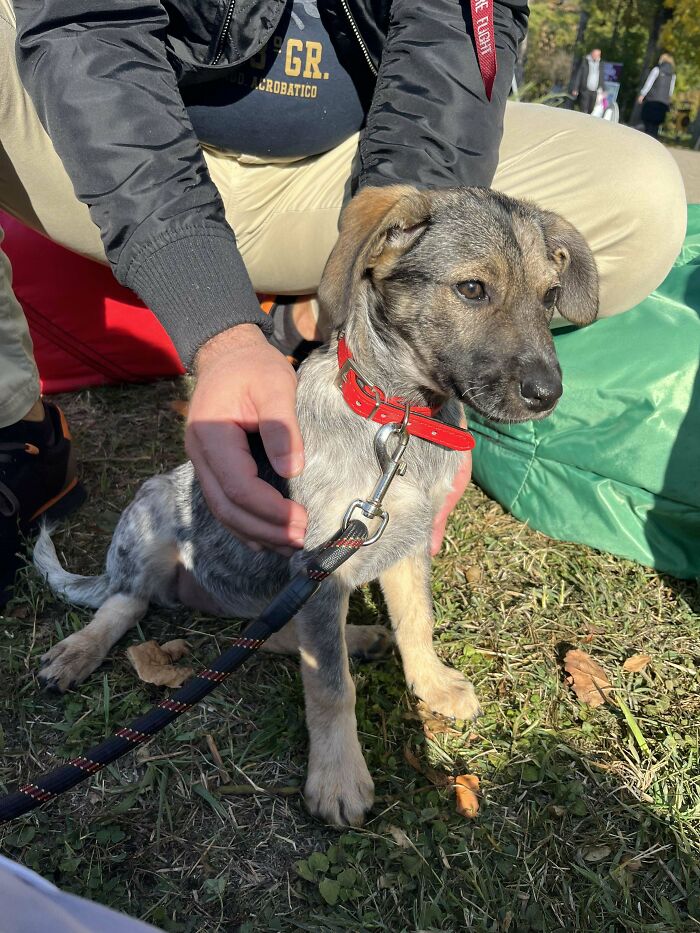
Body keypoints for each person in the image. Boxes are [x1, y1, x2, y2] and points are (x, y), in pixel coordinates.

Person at [0, 0, 687, 605]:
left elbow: (458, 36)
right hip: (117, 145)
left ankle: (309, 325)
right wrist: (218, 329)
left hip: (347, 174)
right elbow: (86, 29)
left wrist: (428, 262)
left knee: (642, 195)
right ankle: (17, 430)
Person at [638, 53, 676, 139]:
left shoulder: (657, 69)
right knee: (655, 126)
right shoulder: (672, 75)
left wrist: (642, 94)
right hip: (663, 103)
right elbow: (671, 91)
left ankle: (646, 142)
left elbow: (649, 83)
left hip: (652, 100)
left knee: (647, 124)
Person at [571, 47, 605, 114]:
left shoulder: (600, 64)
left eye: (598, 55)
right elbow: (579, 75)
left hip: (595, 90)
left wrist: (603, 89)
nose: (597, 56)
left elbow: (601, 77)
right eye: (596, 54)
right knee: (584, 107)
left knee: (591, 108)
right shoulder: (585, 62)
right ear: (592, 54)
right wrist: (575, 88)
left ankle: (587, 120)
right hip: (585, 89)